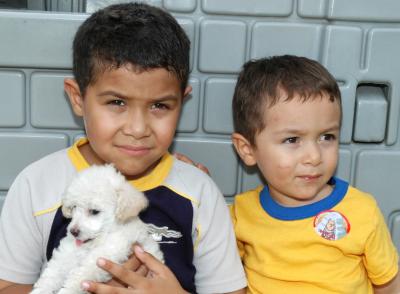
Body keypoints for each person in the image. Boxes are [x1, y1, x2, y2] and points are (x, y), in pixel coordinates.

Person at [0, 3, 246, 294]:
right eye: (117, 102)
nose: (138, 129)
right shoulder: (36, 185)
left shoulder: (200, 193)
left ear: (183, 100)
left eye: (160, 106)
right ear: (78, 98)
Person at [228, 55, 399, 293]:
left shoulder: (362, 211)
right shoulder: (239, 215)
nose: (315, 156)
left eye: (326, 137)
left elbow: (389, 286)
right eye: (292, 140)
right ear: (247, 150)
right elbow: (220, 279)